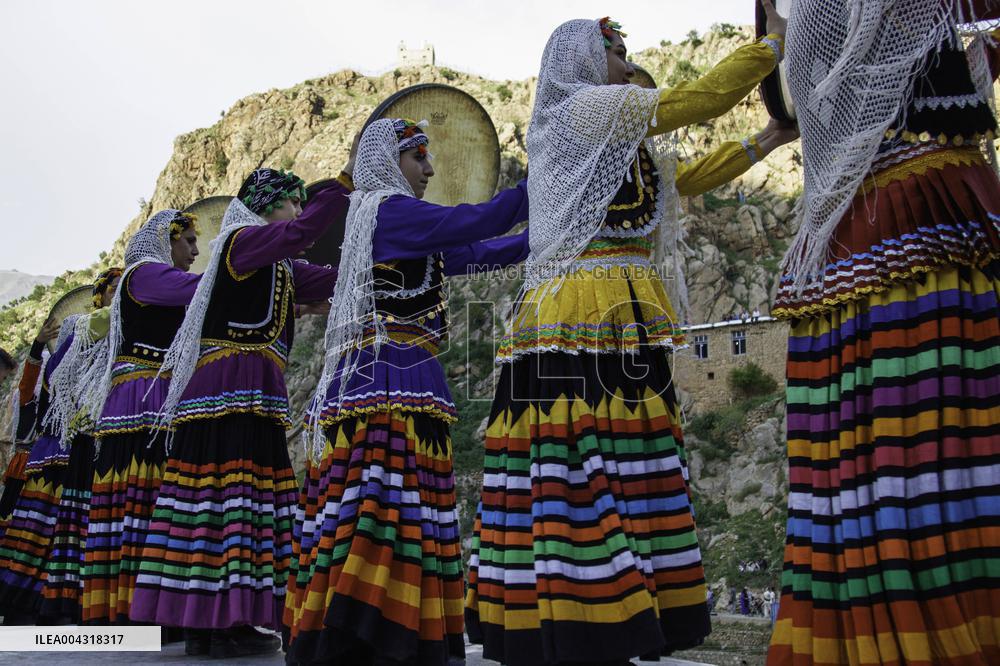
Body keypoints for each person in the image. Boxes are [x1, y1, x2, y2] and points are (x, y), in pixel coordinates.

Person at [465, 8, 799, 665]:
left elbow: (689, 178)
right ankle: (580, 620)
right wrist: (771, 48)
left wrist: (768, 138)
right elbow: (693, 101)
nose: (626, 67)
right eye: (617, 54)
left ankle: (620, 614)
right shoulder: (578, 111)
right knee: (584, 464)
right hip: (578, 313)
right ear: (584, 62)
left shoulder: (621, 157)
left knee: (627, 462)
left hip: (620, 314)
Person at [768, 1, 1000, 664]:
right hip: (907, 227)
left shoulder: (898, 35)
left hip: (915, 221)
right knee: (922, 432)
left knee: (922, 434)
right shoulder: (839, 23)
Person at [283, 118, 529, 666]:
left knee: (389, 502)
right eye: (419, 157)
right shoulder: (390, 213)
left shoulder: (402, 229)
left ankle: (375, 632)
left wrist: (560, 228)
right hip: (389, 375)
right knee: (385, 503)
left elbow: (485, 250)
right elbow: (479, 220)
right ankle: (367, 633)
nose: (430, 170)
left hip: (392, 373)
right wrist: (547, 183)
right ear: (387, 162)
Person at [129, 162, 348, 659]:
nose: (299, 210)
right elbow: (301, 233)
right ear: (265, 206)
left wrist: (385, 254)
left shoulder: (279, 265)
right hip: (227, 388)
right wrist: (343, 185)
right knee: (223, 501)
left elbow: (334, 279)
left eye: (302, 202)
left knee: (243, 505)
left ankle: (230, 619)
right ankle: (211, 624)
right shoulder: (241, 242)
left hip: (255, 391)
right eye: (292, 201)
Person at [72, 210, 201, 625]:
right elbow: (206, 287)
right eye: (189, 241)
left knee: (138, 497)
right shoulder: (145, 274)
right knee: (148, 492)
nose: (195, 250)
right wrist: (241, 269)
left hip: (146, 393)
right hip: (144, 395)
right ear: (167, 240)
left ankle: (132, 605)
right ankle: (140, 611)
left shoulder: (154, 281)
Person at [0, 270, 121, 624]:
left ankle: (41, 602)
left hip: (65, 457)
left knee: (51, 529)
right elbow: (29, 384)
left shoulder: (96, 366)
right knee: (44, 528)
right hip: (46, 458)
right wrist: (37, 347)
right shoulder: (48, 382)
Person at [0, 319, 60, 539]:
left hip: (47, 469)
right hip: (25, 467)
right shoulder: (27, 398)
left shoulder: (59, 403)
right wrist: (38, 344)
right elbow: (30, 374)